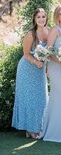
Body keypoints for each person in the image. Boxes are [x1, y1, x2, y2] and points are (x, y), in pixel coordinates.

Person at [12, 8, 49, 138]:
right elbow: (26, 54)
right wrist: (36, 62)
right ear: (34, 19)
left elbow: (50, 52)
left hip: (40, 71)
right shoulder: (31, 34)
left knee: (41, 98)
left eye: (43, 16)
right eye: (38, 17)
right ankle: (30, 129)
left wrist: (46, 67)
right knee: (30, 98)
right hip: (28, 68)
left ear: (46, 18)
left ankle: (39, 126)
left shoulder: (49, 31)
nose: (41, 19)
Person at [41, 4, 61, 143]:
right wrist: (59, 61)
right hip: (55, 67)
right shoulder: (55, 30)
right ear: (57, 16)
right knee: (60, 96)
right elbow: (48, 51)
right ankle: (56, 133)